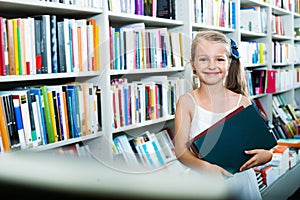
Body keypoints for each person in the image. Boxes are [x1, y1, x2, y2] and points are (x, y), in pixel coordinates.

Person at [174, 30, 273, 199]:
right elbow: (181, 151)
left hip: (242, 183)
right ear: (193, 64)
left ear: (228, 63)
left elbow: (261, 144)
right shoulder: (186, 102)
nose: (211, 65)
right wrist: (206, 168)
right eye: (203, 59)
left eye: (219, 59)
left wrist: (267, 155)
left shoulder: (242, 101)